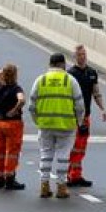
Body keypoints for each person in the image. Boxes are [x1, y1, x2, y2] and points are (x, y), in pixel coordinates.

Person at [28, 52, 85, 199]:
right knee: (63, 156)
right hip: (66, 125)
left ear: (50, 64)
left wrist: (37, 120)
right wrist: (78, 121)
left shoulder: (40, 80)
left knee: (46, 154)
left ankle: (44, 185)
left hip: (45, 125)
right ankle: (61, 186)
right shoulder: (70, 80)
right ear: (63, 64)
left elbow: (31, 105)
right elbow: (80, 105)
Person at [66, 44, 106, 188]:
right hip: (73, 117)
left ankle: (76, 175)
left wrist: (102, 109)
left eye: (84, 54)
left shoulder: (91, 72)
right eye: (79, 55)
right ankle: (70, 175)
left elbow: (96, 92)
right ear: (75, 56)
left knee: (81, 147)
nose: (82, 57)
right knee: (73, 146)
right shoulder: (70, 73)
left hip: (86, 116)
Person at [0, 63, 26, 190]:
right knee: (12, 152)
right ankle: (10, 178)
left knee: (0, 150)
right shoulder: (16, 88)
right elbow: (22, 100)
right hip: (13, 124)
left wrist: (3, 71)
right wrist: (14, 110)